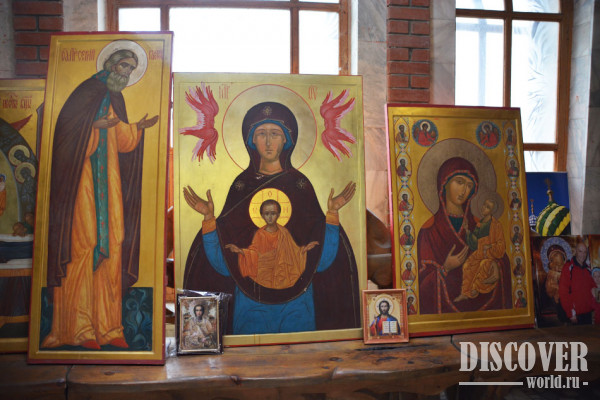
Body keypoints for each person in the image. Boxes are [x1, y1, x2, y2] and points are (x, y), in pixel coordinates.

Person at [183, 102, 361, 335]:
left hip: (298, 300)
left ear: (287, 139)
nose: (268, 142)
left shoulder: (301, 186)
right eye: (261, 134)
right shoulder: (241, 187)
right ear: (251, 141)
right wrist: (209, 219)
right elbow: (223, 263)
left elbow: (323, 259)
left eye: (275, 134)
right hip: (250, 300)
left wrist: (333, 214)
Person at [42, 46, 158, 349]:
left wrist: (137, 129)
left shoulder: (115, 97)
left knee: (114, 243)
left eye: (131, 68)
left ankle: (108, 328)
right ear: (110, 64)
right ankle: (75, 329)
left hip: (109, 181)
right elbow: (66, 133)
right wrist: (93, 126)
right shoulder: (86, 92)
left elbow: (121, 139)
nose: (126, 72)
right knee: (83, 244)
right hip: (82, 180)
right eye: (123, 66)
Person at [417, 157, 511, 314]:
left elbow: (503, 257)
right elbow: (420, 279)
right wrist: (445, 268)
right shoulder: (429, 230)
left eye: (469, 186)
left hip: (483, 301)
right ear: (444, 183)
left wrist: (495, 264)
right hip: (442, 314)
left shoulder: (479, 224)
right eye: (459, 182)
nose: (464, 190)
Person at [224, 199, 319, 289]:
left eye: (273, 213)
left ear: (278, 215)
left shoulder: (284, 232)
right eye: (266, 214)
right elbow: (254, 253)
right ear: (262, 215)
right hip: (264, 275)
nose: (270, 217)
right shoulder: (260, 234)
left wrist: (304, 249)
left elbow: (293, 252)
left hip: (282, 273)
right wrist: (241, 251)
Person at [454, 195, 506, 302]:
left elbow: (501, 245)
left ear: (492, 211)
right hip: (479, 253)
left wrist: (490, 246)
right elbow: (474, 244)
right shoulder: (480, 224)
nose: (484, 208)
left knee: (483, 265)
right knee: (467, 265)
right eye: (484, 205)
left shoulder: (496, 225)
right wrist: (467, 230)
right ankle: (465, 293)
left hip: (489, 254)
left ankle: (475, 288)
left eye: (488, 207)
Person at [559, 242, 597, 325]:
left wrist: (595, 290)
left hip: (588, 313)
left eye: (585, 252)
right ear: (575, 251)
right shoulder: (568, 267)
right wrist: (571, 313)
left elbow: (593, 286)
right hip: (575, 315)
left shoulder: (587, 269)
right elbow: (563, 292)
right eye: (580, 251)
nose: (582, 255)